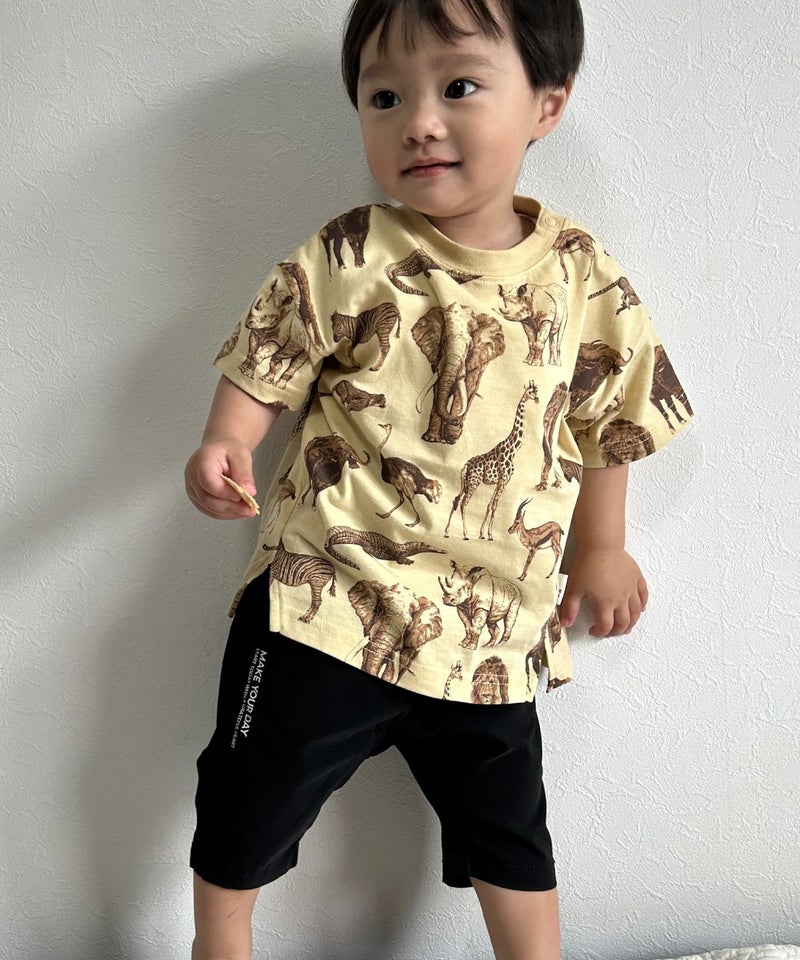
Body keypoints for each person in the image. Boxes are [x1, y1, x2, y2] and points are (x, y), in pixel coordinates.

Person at [184, 0, 694, 957]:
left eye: (458, 86)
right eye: (384, 97)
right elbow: (269, 355)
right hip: (329, 599)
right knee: (247, 797)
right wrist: (226, 439)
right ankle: (220, 941)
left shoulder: (581, 277)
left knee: (512, 831)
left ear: (547, 104)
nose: (418, 121)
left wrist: (603, 544)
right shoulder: (353, 252)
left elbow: (610, 422)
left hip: (490, 627)